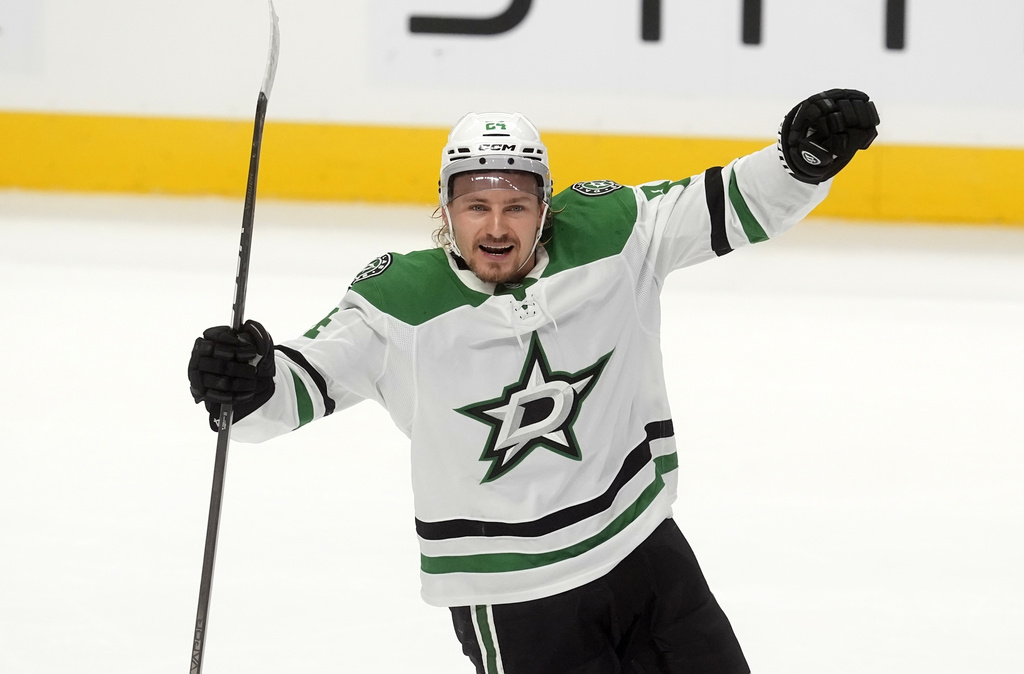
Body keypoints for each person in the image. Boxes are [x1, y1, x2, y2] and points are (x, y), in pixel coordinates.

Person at [188, 89, 879, 673]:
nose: (495, 226)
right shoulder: (396, 305)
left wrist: (800, 160)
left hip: (643, 547)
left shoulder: (614, 233)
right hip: (516, 594)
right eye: (475, 205)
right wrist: (245, 382)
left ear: (546, 207)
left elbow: (729, 202)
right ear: (445, 210)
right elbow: (292, 388)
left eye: (515, 205)